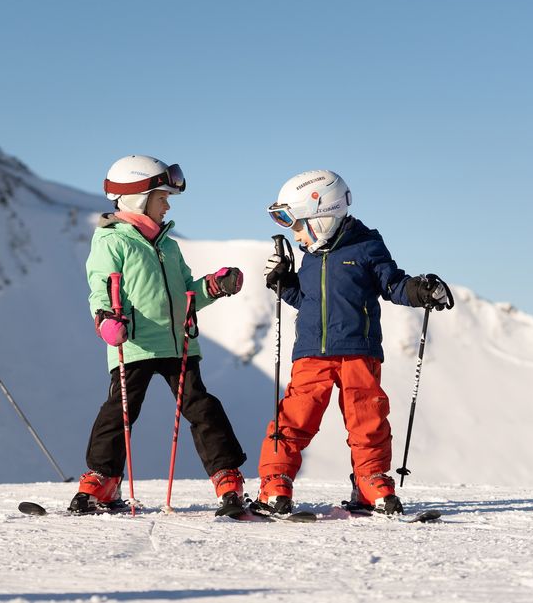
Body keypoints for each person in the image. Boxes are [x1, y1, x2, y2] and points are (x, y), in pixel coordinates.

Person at [259, 170, 454, 515]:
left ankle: (371, 480)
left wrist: (419, 290)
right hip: (312, 353)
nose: (295, 233)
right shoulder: (310, 254)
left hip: (358, 351)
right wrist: (283, 283)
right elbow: (307, 301)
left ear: (321, 216)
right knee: (294, 419)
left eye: (298, 223)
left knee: (368, 419)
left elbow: (392, 284)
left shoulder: (366, 246)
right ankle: (275, 482)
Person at [71, 155, 248, 514]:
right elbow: (100, 288)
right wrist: (105, 319)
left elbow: (187, 296)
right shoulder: (112, 242)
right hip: (133, 342)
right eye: (161, 197)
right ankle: (102, 479)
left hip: (179, 344)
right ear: (138, 198)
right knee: (120, 411)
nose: (167, 205)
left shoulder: (168, 244)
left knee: (201, 407)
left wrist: (214, 286)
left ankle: (227, 477)